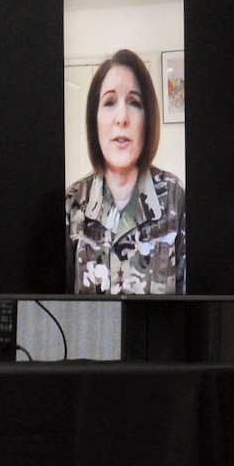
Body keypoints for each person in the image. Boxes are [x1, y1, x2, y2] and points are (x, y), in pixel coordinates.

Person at [65, 49, 185, 295]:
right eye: (109, 102)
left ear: (147, 119)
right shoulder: (72, 203)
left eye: (134, 102)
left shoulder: (176, 197)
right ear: (94, 120)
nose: (122, 117)